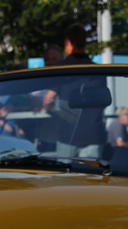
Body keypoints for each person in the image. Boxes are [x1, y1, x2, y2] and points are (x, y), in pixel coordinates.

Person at [42, 23, 105, 157]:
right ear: (84, 43)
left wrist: (46, 108)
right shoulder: (97, 70)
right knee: (90, 171)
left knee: (66, 171)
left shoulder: (60, 68)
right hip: (94, 134)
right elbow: (103, 100)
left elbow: (48, 99)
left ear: (68, 43)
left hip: (68, 133)